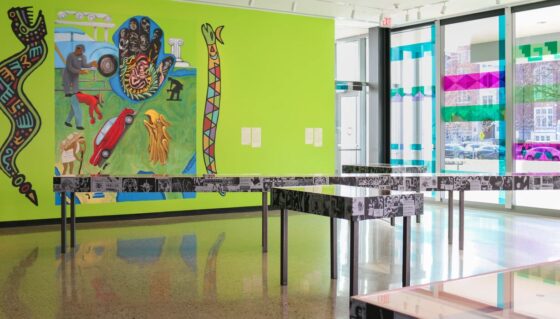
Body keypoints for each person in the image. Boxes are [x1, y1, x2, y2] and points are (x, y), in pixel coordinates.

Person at [63, 44, 97, 130]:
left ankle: (67, 121)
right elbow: (69, 67)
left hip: (76, 77)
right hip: (68, 73)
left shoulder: (83, 57)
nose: (78, 51)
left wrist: (91, 64)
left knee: (73, 110)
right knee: (78, 110)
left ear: (82, 50)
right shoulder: (70, 55)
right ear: (75, 49)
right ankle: (78, 125)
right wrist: (80, 71)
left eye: (80, 50)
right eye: (77, 49)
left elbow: (85, 65)